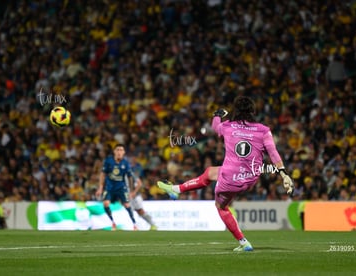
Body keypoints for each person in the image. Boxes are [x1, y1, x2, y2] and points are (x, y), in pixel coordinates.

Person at [160, 96, 294, 252]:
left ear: (235, 111)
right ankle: (176, 190)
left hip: (230, 177)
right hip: (250, 177)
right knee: (210, 172)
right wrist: (284, 174)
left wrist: (217, 115)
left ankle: (244, 242)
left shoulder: (228, 126)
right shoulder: (263, 130)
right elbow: (273, 152)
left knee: (221, 207)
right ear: (253, 111)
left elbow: (215, 126)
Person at [95, 144, 138, 231]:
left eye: (121, 150)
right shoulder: (108, 161)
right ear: (114, 151)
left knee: (127, 205)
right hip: (109, 187)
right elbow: (103, 174)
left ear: (124, 152)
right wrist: (100, 188)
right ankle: (113, 222)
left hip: (121, 188)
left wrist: (131, 190)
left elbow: (129, 177)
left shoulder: (125, 163)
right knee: (106, 203)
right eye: (117, 150)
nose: (119, 152)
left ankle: (134, 224)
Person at [128, 156, 158, 230]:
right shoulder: (121, 176)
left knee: (140, 211)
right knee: (129, 210)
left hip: (135, 197)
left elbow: (139, 183)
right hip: (127, 196)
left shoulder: (131, 174)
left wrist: (134, 192)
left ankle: (153, 224)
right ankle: (134, 226)